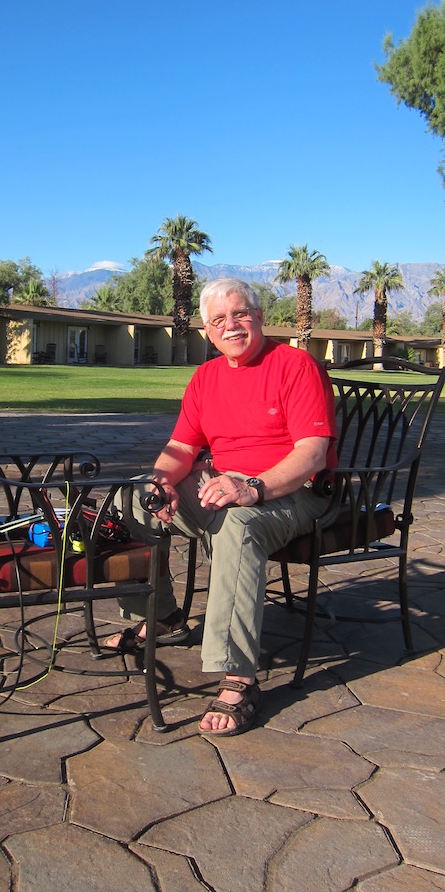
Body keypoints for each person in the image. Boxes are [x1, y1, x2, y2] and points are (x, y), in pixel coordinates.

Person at [107, 277, 338, 736]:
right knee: (130, 500)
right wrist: (162, 482)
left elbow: (312, 453)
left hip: (290, 492)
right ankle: (161, 619)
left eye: (239, 314)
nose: (230, 326)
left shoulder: (296, 366)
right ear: (207, 331)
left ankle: (239, 679)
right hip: (222, 487)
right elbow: (179, 445)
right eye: (218, 320)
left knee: (238, 526)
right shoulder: (206, 377)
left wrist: (251, 487)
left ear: (259, 316)